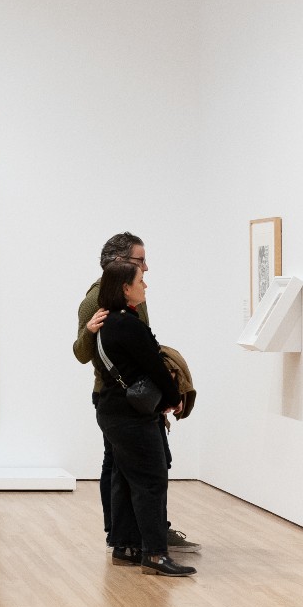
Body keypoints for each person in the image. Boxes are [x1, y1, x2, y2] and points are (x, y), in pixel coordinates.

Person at [73, 232, 199, 552]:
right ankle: (121, 534)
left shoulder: (132, 294)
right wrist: (89, 332)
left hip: (139, 395)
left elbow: (142, 345)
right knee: (121, 466)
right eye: (140, 260)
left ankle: (145, 532)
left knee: (148, 465)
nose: (147, 268)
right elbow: (82, 353)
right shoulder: (95, 300)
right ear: (120, 263)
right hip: (118, 397)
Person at [93, 261, 195, 576]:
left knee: (124, 479)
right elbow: (155, 367)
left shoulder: (104, 324)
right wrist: (173, 399)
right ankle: (154, 554)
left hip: (111, 411)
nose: (145, 284)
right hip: (131, 416)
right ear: (125, 287)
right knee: (151, 480)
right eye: (140, 279)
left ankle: (124, 547)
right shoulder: (129, 325)